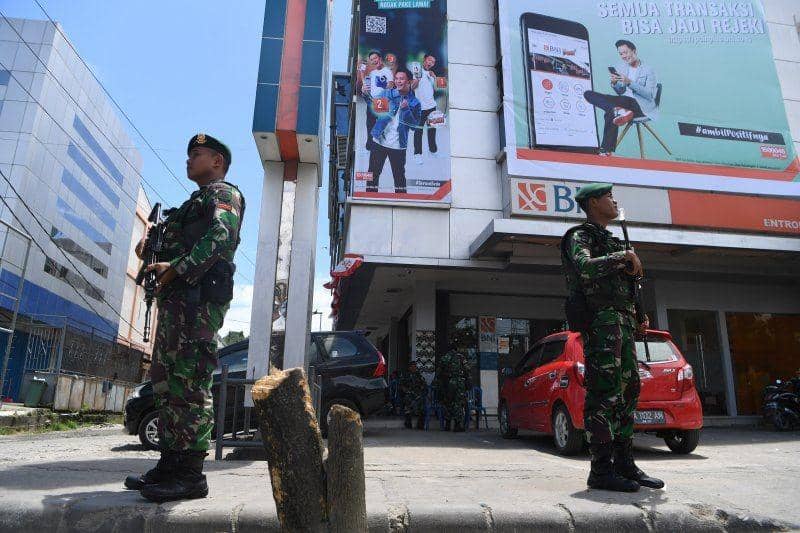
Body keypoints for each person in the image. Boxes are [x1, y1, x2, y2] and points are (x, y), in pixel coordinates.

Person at [125, 133, 245, 502]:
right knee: (167, 384)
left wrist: (177, 266)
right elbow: (168, 249)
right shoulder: (189, 206)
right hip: (176, 305)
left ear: (217, 162)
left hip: (198, 302)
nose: (188, 161)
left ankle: (191, 475)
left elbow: (221, 238)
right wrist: (151, 249)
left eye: (196, 155)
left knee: (190, 383)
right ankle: (170, 464)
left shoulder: (223, 194)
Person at [560, 183, 663, 493]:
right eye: (609, 197)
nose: (615, 201)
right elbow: (585, 269)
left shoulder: (612, 240)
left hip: (622, 321)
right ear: (594, 203)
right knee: (605, 393)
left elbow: (630, 286)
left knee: (629, 391)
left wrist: (639, 314)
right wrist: (624, 258)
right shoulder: (581, 236)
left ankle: (625, 463)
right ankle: (601, 469)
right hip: (602, 321)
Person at [583, 40, 658, 156]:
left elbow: (650, 95)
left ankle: (606, 148)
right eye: (621, 54)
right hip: (624, 103)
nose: (624, 56)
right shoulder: (622, 68)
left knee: (615, 107)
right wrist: (614, 83)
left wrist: (630, 82)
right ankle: (618, 111)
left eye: (626, 52)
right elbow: (620, 91)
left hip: (640, 107)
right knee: (588, 94)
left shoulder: (648, 70)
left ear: (634, 51)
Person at [367, 69, 421, 194]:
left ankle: (402, 208)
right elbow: (374, 107)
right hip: (379, 141)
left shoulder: (415, 102)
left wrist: (406, 109)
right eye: (396, 78)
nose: (398, 81)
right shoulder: (387, 94)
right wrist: (365, 94)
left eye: (401, 78)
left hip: (398, 146)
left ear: (409, 81)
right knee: (372, 176)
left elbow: (414, 126)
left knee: (399, 179)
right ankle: (369, 202)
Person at [359, 51, 394, 151]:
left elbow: (391, 85)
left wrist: (383, 85)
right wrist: (363, 88)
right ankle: (369, 145)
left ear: (380, 58)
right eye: (372, 59)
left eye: (375, 58)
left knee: (381, 125)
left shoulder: (387, 71)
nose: (374, 61)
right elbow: (367, 87)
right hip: (372, 101)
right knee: (370, 123)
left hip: (383, 101)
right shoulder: (372, 73)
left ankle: (383, 146)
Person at [435, 342, 471, 432]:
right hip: (459, 382)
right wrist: (468, 381)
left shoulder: (445, 357)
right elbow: (467, 369)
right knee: (458, 402)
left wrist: (440, 383)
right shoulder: (461, 357)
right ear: (456, 349)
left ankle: (447, 424)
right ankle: (457, 425)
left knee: (448, 401)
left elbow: (438, 372)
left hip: (448, 382)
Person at [411, 53, 439, 164]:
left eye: (433, 62)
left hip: (432, 106)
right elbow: (413, 87)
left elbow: (436, 89)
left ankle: (433, 150)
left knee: (432, 130)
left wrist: (434, 77)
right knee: (418, 131)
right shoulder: (417, 70)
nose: (431, 63)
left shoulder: (431, 73)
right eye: (429, 60)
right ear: (424, 60)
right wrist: (418, 78)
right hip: (420, 108)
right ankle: (417, 154)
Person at [399, 360, 427, 430]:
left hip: (418, 394)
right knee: (407, 402)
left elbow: (424, 385)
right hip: (409, 394)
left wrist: (422, 390)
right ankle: (408, 422)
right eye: (412, 366)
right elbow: (401, 385)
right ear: (409, 367)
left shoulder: (419, 375)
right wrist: (406, 390)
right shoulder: (406, 375)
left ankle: (420, 424)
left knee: (422, 404)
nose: (414, 368)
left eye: (415, 366)